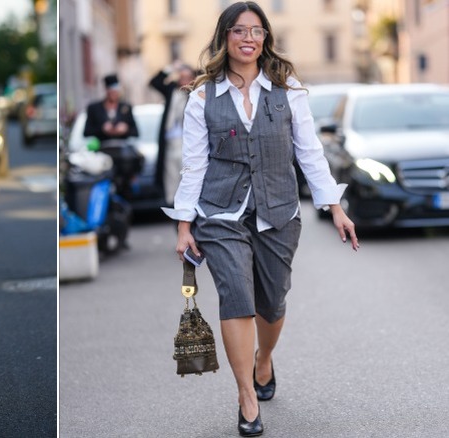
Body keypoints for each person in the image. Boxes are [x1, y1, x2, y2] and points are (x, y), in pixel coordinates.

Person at [161, 2, 358, 436]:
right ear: (224, 37)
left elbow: (309, 152)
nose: (248, 38)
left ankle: (263, 361)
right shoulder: (201, 96)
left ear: (265, 38)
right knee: (237, 298)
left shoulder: (289, 90)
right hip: (220, 214)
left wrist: (335, 207)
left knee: (272, 302)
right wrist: (184, 225)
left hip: (279, 211)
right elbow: (193, 165)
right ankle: (246, 397)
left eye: (256, 31)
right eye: (239, 30)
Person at [149, 62, 197, 205]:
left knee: (188, 178)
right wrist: (170, 68)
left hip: (187, 143)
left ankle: (188, 207)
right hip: (170, 142)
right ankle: (174, 207)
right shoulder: (171, 90)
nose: (184, 80)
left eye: (187, 77)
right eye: (181, 77)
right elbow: (154, 82)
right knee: (171, 179)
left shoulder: (196, 93)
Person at [83, 74, 138, 141]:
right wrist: (102, 129)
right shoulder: (94, 108)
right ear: (106, 91)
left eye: (116, 91)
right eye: (111, 91)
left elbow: (136, 132)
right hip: (102, 147)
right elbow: (87, 132)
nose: (114, 94)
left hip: (121, 147)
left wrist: (125, 129)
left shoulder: (126, 107)